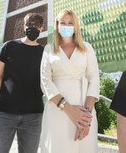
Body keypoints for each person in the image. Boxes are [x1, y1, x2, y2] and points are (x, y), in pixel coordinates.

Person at [40, 9, 100, 153]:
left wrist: (86, 117)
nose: (66, 26)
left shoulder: (87, 48)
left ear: (76, 26)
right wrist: (68, 109)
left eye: (70, 23)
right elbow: (45, 81)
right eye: (62, 23)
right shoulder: (49, 49)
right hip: (57, 109)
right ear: (56, 25)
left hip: (84, 110)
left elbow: (94, 78)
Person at [0, 13, 45, 153]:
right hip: (4, 113)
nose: (33, 27)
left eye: (36, 25)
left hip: (34, 116)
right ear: (24, 27)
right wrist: (8, 96)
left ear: (41, 28)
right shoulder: (9, 46)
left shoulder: (45, 52)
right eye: (29, 24)